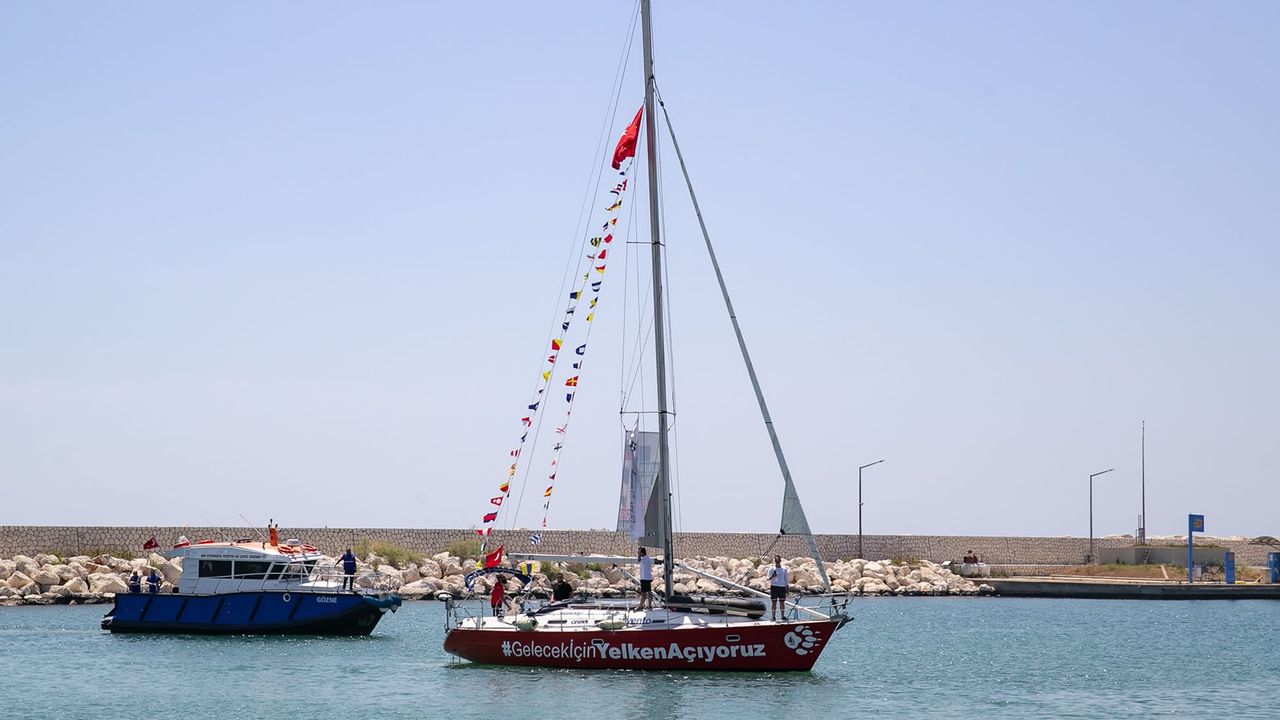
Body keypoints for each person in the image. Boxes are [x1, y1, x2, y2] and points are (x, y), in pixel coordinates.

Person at [766, 555, 789, 621]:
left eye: (778, 561)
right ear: (774, 561)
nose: (777, 562)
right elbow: (767, 578)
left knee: (782, 602)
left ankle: (782, 616)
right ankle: (773, 617)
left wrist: (787, 587)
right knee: (774, 602)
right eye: (776, 561)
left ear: (780, 561)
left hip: (782, 587)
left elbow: (786, 579)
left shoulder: (784, 569)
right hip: (774, 587)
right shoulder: (771, 569)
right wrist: (772, 576)